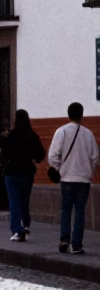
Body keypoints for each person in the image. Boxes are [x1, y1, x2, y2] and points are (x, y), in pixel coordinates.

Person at [49, 102, 99, 255]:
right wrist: (90, 171)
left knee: (66, 209)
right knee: (80, 212)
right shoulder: (88, 134)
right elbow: (95, 157)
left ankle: (64, 240)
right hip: (83, 179)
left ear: (68, 114)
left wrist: (57, 168)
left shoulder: (61, 131)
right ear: (81, 115)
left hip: (66, 177)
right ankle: (77, 245)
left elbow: (52, 155)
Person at [0, 109, 45, 242]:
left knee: (14, 201)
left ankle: (18, 230)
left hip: (11, 172)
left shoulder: (8, 136)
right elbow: (40, 154)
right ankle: (26, 224)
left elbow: (2, 154)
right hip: (27, 172)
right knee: (24, 200)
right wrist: (34, 158)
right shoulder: (32, 135)